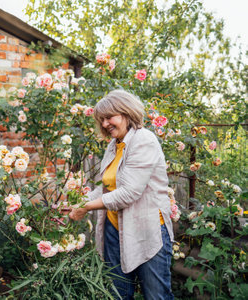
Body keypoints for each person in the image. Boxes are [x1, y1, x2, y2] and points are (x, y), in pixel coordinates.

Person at [69, 89, 174, 299]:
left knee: (156, 295)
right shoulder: (114, 145)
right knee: (117, 294)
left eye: (109, 117)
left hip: (146, 230)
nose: (105, 124)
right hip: (114, 230)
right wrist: (80, 201)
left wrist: (87, 208)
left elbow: (128, 193)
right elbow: (108, 187)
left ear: (126, 113)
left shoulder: (144, 140)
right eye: (102, 120)